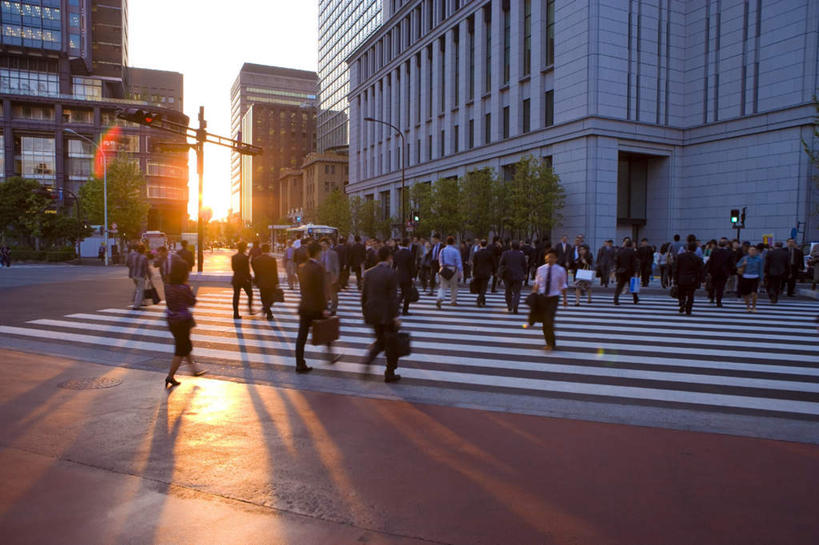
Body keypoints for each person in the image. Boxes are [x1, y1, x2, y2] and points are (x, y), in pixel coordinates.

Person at [295, 241, 340, 373]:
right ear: (318, 252)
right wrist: (324, 307)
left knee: (301, 336)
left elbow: (305, 289)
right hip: (316, 307)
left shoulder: (302, 267)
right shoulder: (319, 268)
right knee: (327, 329)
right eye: (320, 252)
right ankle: (330, 355)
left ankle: (299, 363)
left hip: (304, 306)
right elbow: (320, 290)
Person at [362, 245, 403, 382]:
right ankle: (389, 371)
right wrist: (396, 316)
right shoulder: (391, 273)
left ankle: (371, 361)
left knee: (381, 340)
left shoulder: (368, 273)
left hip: (373, 312)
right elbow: (393, 297)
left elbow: (364, 296)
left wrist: (365, 313)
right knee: (391, 343)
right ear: (389, 257)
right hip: (387, 314)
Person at [164, 259, 206, 387]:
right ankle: (170, 376)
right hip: (182, 321)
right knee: (181, 350)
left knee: (185, 346)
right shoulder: (184, 287)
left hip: (171, 319)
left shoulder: (168, 286)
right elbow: (192, 301)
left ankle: (194, 370)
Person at [533, 249, 568, 351]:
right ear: (545, 258)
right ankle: (549, 342)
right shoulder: (540, 269)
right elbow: (537, 283)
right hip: (543, 298)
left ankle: (551, 344)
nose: (549, 259)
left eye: (552, 257)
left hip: (554, 298)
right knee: (545, 323)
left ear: (556, 258)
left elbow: (563, 286)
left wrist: (565, 299)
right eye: (548, 257)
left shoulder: (561, 270)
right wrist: (533, 295)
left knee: (549, 320)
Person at [674, 242, 704, 315]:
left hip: (681, 278)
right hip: (692, 279)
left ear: (687, 248)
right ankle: (688, 309)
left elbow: (676, 269)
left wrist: (675, 279)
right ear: (695, 249)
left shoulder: (680, 257)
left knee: (681, 293)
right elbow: (700, 270)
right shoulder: (697, 259)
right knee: (691, 295)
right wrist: (702, 280)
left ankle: (682, 302)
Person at [252, 243, 279, 321]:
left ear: (262, 250)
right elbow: (275, 272)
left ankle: (267, 310)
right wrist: (276, 282)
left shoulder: (257, 260)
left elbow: (256, 272)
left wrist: (256, 281)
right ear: (268, 250)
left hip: (261, 281)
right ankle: (268, 311)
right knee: (271, 298)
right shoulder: (272, 259)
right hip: (271, 281)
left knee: (263, 298)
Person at [499, 241, 527, 314]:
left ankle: (509, 305)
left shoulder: (505, 253)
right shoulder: (521, 254)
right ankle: (515, 305)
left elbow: (501, 263)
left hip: (507, 275)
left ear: (511, 246)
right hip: (518, 275)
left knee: (507, 290)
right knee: (517, 292)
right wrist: (525, 273)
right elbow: (524, 265)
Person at [436, 235, 463, 309]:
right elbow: (458, 262)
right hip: (453, 269)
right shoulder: (455, 251)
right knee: (454, 286)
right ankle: (453, 301)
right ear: (453, 242)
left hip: (444, 268)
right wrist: (460, 271)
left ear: (446, 242)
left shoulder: (442, 250)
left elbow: (440, 260)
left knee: (443, 286)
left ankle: (440, 299)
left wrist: (441, 267)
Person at [706, 238, 734, 307]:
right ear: (726, 245)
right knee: (720, 287)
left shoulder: (714, 251)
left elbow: (711, 262)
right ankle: (719, 301)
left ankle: (712, 298)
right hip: (723, 272)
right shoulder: (728, 253)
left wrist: (709, 271)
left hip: (714, 271)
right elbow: (730, 264)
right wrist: (730, 271)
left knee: (713, 285)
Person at [737, 245, 763, 312]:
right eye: (751, 250)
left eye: (754, 250)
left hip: (755, 277)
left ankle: (754, 307)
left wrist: (762, 278)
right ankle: (748, 306)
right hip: (746, 277)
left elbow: (761, 269)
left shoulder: (759, 259)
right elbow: (737, 265)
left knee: (754, 293)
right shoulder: (744, 258)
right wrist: (743, 264)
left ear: (756, 251)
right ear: (748, 251)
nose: (752, 251)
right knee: (746, 294)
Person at [613, 238, 640, 305]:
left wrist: (616, 269)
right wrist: (636, 271)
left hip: (621, 270)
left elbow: (616, 261)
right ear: (631, 245)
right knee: (632, 286)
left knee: (619, 286)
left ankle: (616, 299)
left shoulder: (620, 251)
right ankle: (635, 299)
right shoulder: (632, 251)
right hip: (630, 271)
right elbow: (634, 262)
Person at [393, 238, 415, 315]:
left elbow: (394, 266)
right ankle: (405, 310)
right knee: (407, 294)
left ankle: (396, 306)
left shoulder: (397, 253)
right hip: (407, 276)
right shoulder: (410, 254)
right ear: (408, 244)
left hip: (399, 275)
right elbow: (411, 267)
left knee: (402, 293)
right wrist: (413, 277)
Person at [231, 242, 253, 319]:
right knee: (250, 293)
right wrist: (249, 278)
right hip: (244, 279)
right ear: (244, 248)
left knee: (236, 296)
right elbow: (247, 270)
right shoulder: (245, 257)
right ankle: (250, 308)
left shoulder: (233, 257)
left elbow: (233, 268)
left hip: (236, 278)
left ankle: (235, 313)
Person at [320, 237, 340, 315]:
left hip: (330, 274)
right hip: (322, 275)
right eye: (321, 245)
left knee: (333, 293)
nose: (323, 246)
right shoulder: (320, 253)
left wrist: (336, 277)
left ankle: (333, 308)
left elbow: (336, 266)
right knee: (324, 292)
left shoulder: (333, 253)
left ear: (328, 245)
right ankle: (325, 307)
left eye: (324, 244)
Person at [472, 239, 495, 307]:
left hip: (478, 272)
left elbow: (474, 264)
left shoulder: (477, 253)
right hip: (486, 272)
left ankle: (480, 299)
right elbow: (493, 263)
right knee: (483, 287)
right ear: (486, 245)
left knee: (479, 287)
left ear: (480, 244)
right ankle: (481, 299)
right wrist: (494, 271)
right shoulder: (490, 253)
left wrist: (473, 273)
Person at [128, 245, 148, 310]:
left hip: (134, 275)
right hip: (141, 276)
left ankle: (142, 302)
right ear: (144, 250)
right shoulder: (144, 257)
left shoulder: (133, 256)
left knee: (138, 288)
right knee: (140, 290)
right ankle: (136, 305)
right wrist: (147, 276)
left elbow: (129, 265)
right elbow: (146, 268)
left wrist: (130, 273)